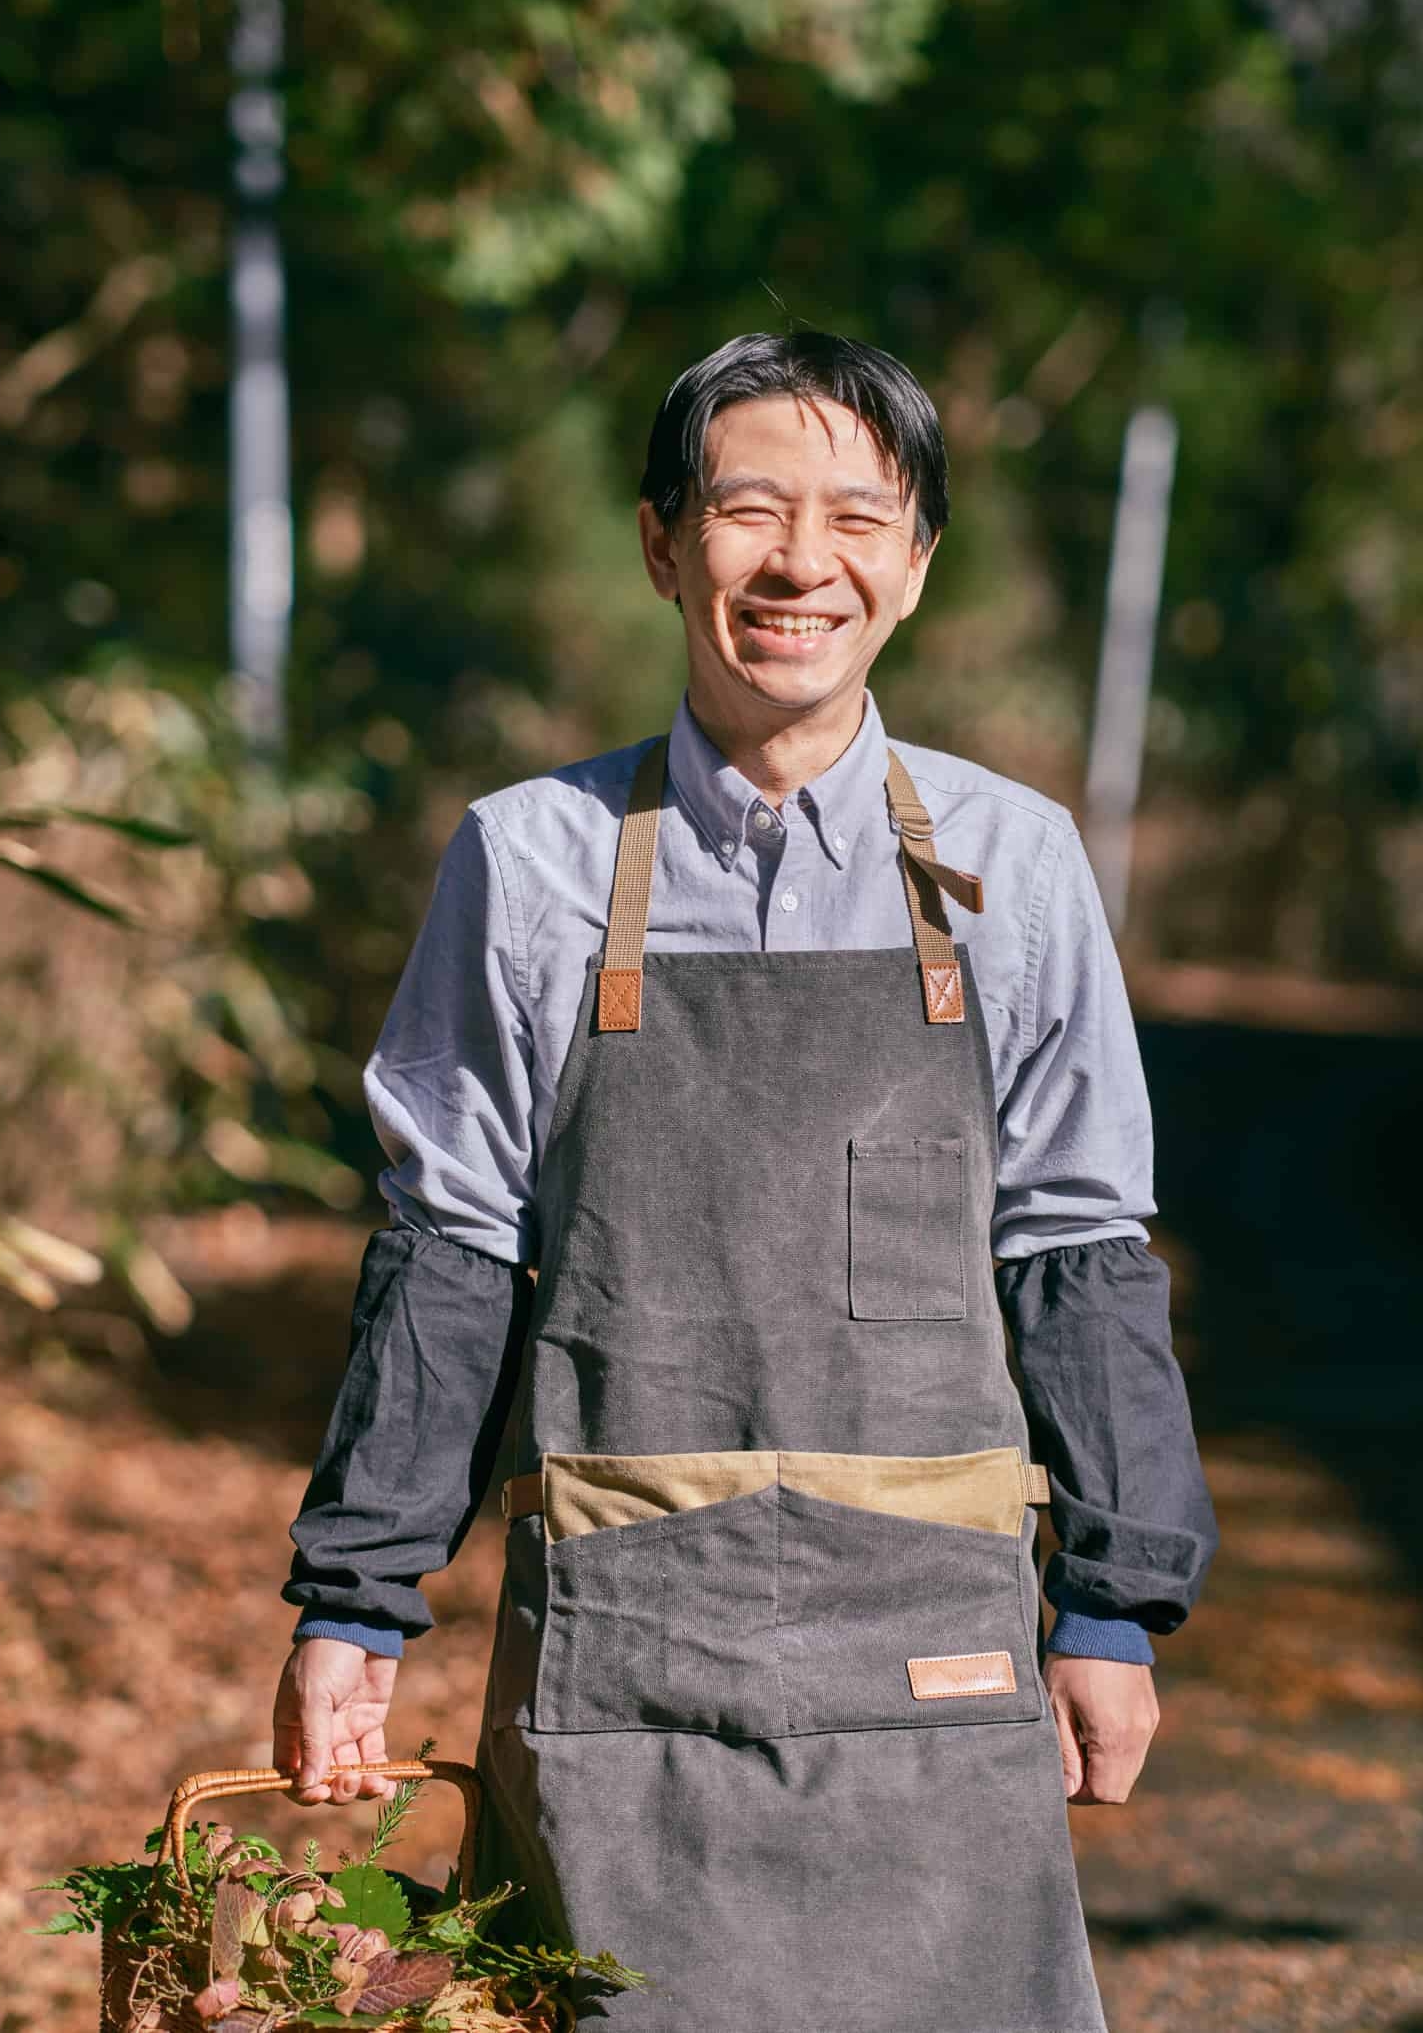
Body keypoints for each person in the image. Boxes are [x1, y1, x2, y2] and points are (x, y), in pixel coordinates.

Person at [270, 330, 1217, 2031]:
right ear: (660, 543)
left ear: (915, 565)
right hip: (625, 1657)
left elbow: (1078, 1252)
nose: (801, 562)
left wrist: (1117, 1608)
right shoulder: (532, 862)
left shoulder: (1020, 864)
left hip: (938, 1659)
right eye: (749, 510)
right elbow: (451, 1255)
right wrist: (359, 1599)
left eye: (859, 518)